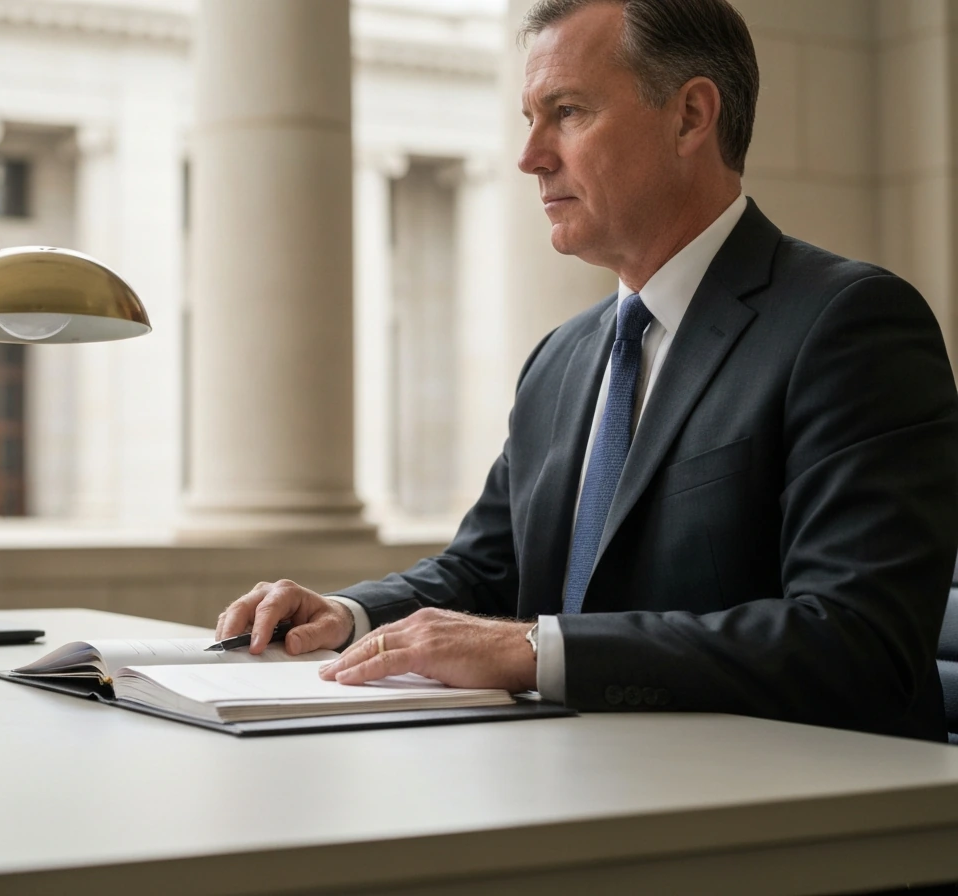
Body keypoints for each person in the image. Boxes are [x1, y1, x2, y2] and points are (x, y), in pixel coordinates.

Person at [215, 0, 958, 741]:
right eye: (528, 118)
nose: (530, 155)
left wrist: (533, 649)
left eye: (566, 112)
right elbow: (485, 568)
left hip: (789, 823)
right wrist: (348, 616)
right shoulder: (562, 358)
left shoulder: (850, 324)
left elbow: (857, 641)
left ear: (691, 116)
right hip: (571, 781)